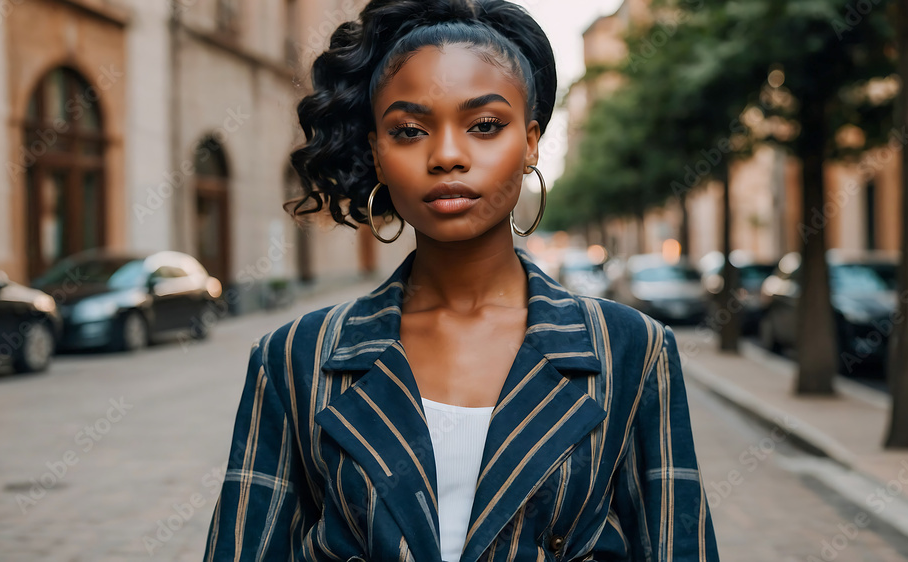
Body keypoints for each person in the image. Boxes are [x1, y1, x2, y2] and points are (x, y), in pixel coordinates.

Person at [202, 0, 720, 560]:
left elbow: (676, 543)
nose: (447, 155)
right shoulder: (294, 358)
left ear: (530, 142)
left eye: (485, 126)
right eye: (408, 130)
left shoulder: (633, 351)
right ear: (377, 153)